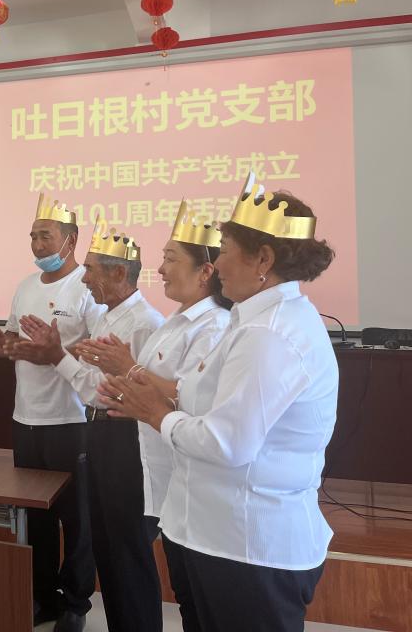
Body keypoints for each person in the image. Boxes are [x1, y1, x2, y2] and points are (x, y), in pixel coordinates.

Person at [99, 175, 337, 632]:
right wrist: (152, 394)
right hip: (217, 537)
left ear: (263, 259)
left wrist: (157, 415)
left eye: (225, 250)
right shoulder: (253, 320)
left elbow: (228, 442)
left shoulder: (269, 334)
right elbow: (201, 394)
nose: (218, 263)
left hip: (247, 547)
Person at [85, 201, 232, 632]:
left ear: (205, 272)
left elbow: (192, 395)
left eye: (170, 259)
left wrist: (128, 369)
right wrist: (120, 379)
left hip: (171, 462)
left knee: (139, 560)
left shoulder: (214, 326)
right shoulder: (176, 321)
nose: (161, 269)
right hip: (143, 453)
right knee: (123, 558)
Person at [11, 221, 164, 632]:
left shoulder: (145, 324)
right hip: (99, 430)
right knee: (110, 550)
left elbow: (122, 393)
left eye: (92, 270)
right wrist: (55, 355)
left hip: (125, 438)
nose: (85, 278)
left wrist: (55, 355)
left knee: (126, 550)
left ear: (119, 273)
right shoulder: (109, 319)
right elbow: (90, 385)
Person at [0, 194, 103, 632]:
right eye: (33, 236)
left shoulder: (89, 288)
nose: (36, 244)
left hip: (70, 420)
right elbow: (15, 339)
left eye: (45, 236)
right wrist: (4, 346)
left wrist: (53, 352)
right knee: (36, 514)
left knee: (77, 518)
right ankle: (44, 597)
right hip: (26, 418)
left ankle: (76, 604)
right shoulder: (26, 286)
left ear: (71, 240)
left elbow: (101, 351)